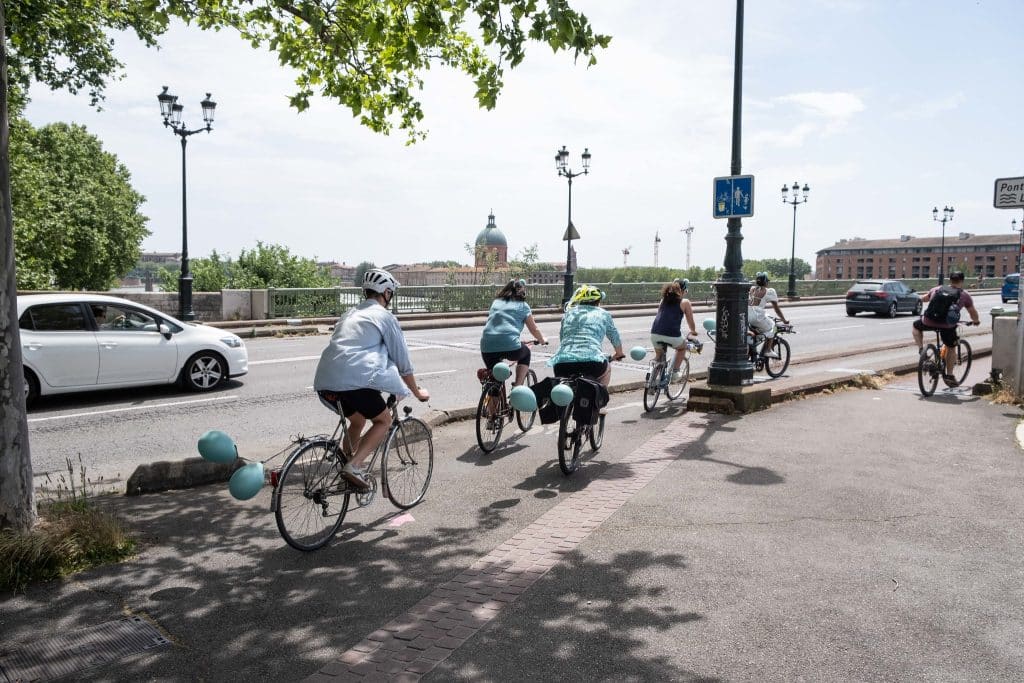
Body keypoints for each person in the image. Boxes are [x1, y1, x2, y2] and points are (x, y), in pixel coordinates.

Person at [313, 268, 429, 490]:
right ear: (386, 292)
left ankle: (345, 473)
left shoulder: (350, 313)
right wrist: (416, 391)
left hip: (325, 381)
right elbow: (402, 361)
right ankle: (353, 466)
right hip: (355, 381)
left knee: (357, 421)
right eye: (390, 293)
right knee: (383, 421)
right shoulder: (384, 316)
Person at [548, 284, 625, 387]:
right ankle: (599, 399)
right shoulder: (603, 314)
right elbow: (614, 335)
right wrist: (618, 353)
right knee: (607, 368)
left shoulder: (569, 313)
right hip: (593, 364)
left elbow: (563, 338)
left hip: (562, 364)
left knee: (563, 388)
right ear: (598, 301)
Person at [912, 270, 981, 384]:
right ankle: (949, 375)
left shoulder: (937, 289)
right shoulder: (964, 295)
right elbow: (972, 312)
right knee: (951, 347)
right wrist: (976, 321)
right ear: (962, 281)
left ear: (950, 280)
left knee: (916, 327)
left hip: (929, 321)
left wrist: (921, 297)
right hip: (947, 325)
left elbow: (924, 298)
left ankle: (921, 350)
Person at [479, 278, 548, 386]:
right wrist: (542, 340)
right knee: (526, 354)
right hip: (510, 345)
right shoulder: (523, 306)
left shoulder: (496, 302)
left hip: (486, 345)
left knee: (495, 381)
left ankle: (493, 397)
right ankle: (518, 386)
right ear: (522, 292)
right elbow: (534, 329)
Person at [649, 279, 700, 382]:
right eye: (685, 291)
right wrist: (693, 331)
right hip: (672, 334)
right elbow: (690, 321)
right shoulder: (685, 302)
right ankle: (675, 372)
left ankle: (651, 380)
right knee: (682, 348)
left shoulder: (663, 300)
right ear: (682, 290)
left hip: (655, 333)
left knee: (659, 357)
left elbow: (660, 316)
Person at [747, 272, 789, 348]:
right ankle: (768, 350)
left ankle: (755, 343)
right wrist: (784, 320)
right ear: (766, 282)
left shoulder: (752, 289)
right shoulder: (769, 291)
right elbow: (777, 310)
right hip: (757, 317)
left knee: (761, 327)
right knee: (773, 328)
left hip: (748, 315)